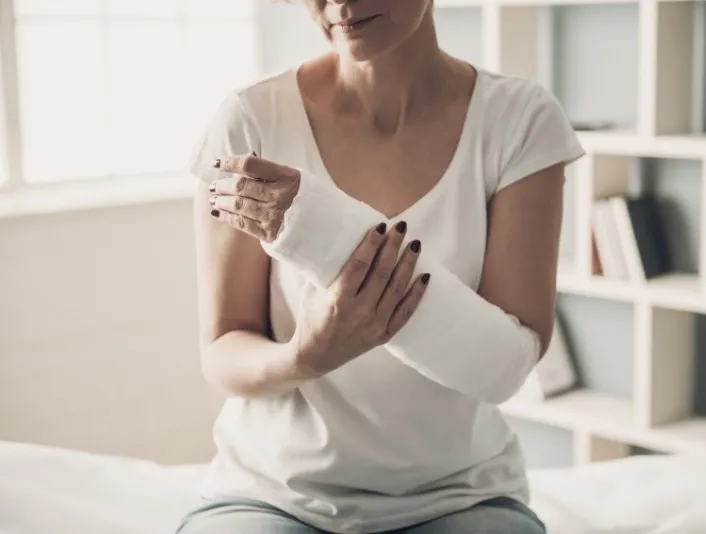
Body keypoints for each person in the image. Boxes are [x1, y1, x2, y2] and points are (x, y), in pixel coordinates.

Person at [178, 0, 585, 532]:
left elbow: (505, 365)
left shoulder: (520, 119)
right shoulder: (251, 121)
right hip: (271, 493)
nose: (341, 6)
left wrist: (319, 229)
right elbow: (223, 350)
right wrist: (305, 357)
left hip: (459, 497)